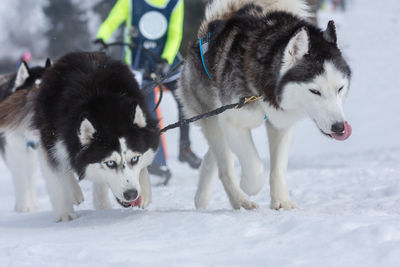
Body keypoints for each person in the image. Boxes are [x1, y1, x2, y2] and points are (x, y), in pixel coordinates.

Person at [96, 0, 201, 184]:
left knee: (184, 100)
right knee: (146, 111)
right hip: (137, 64)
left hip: (164, 61)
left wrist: (165, 58)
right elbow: (113, 20)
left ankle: (185, 147)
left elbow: (174, 33)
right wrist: (102, 37)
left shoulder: (175, 3)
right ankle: (156, 163)